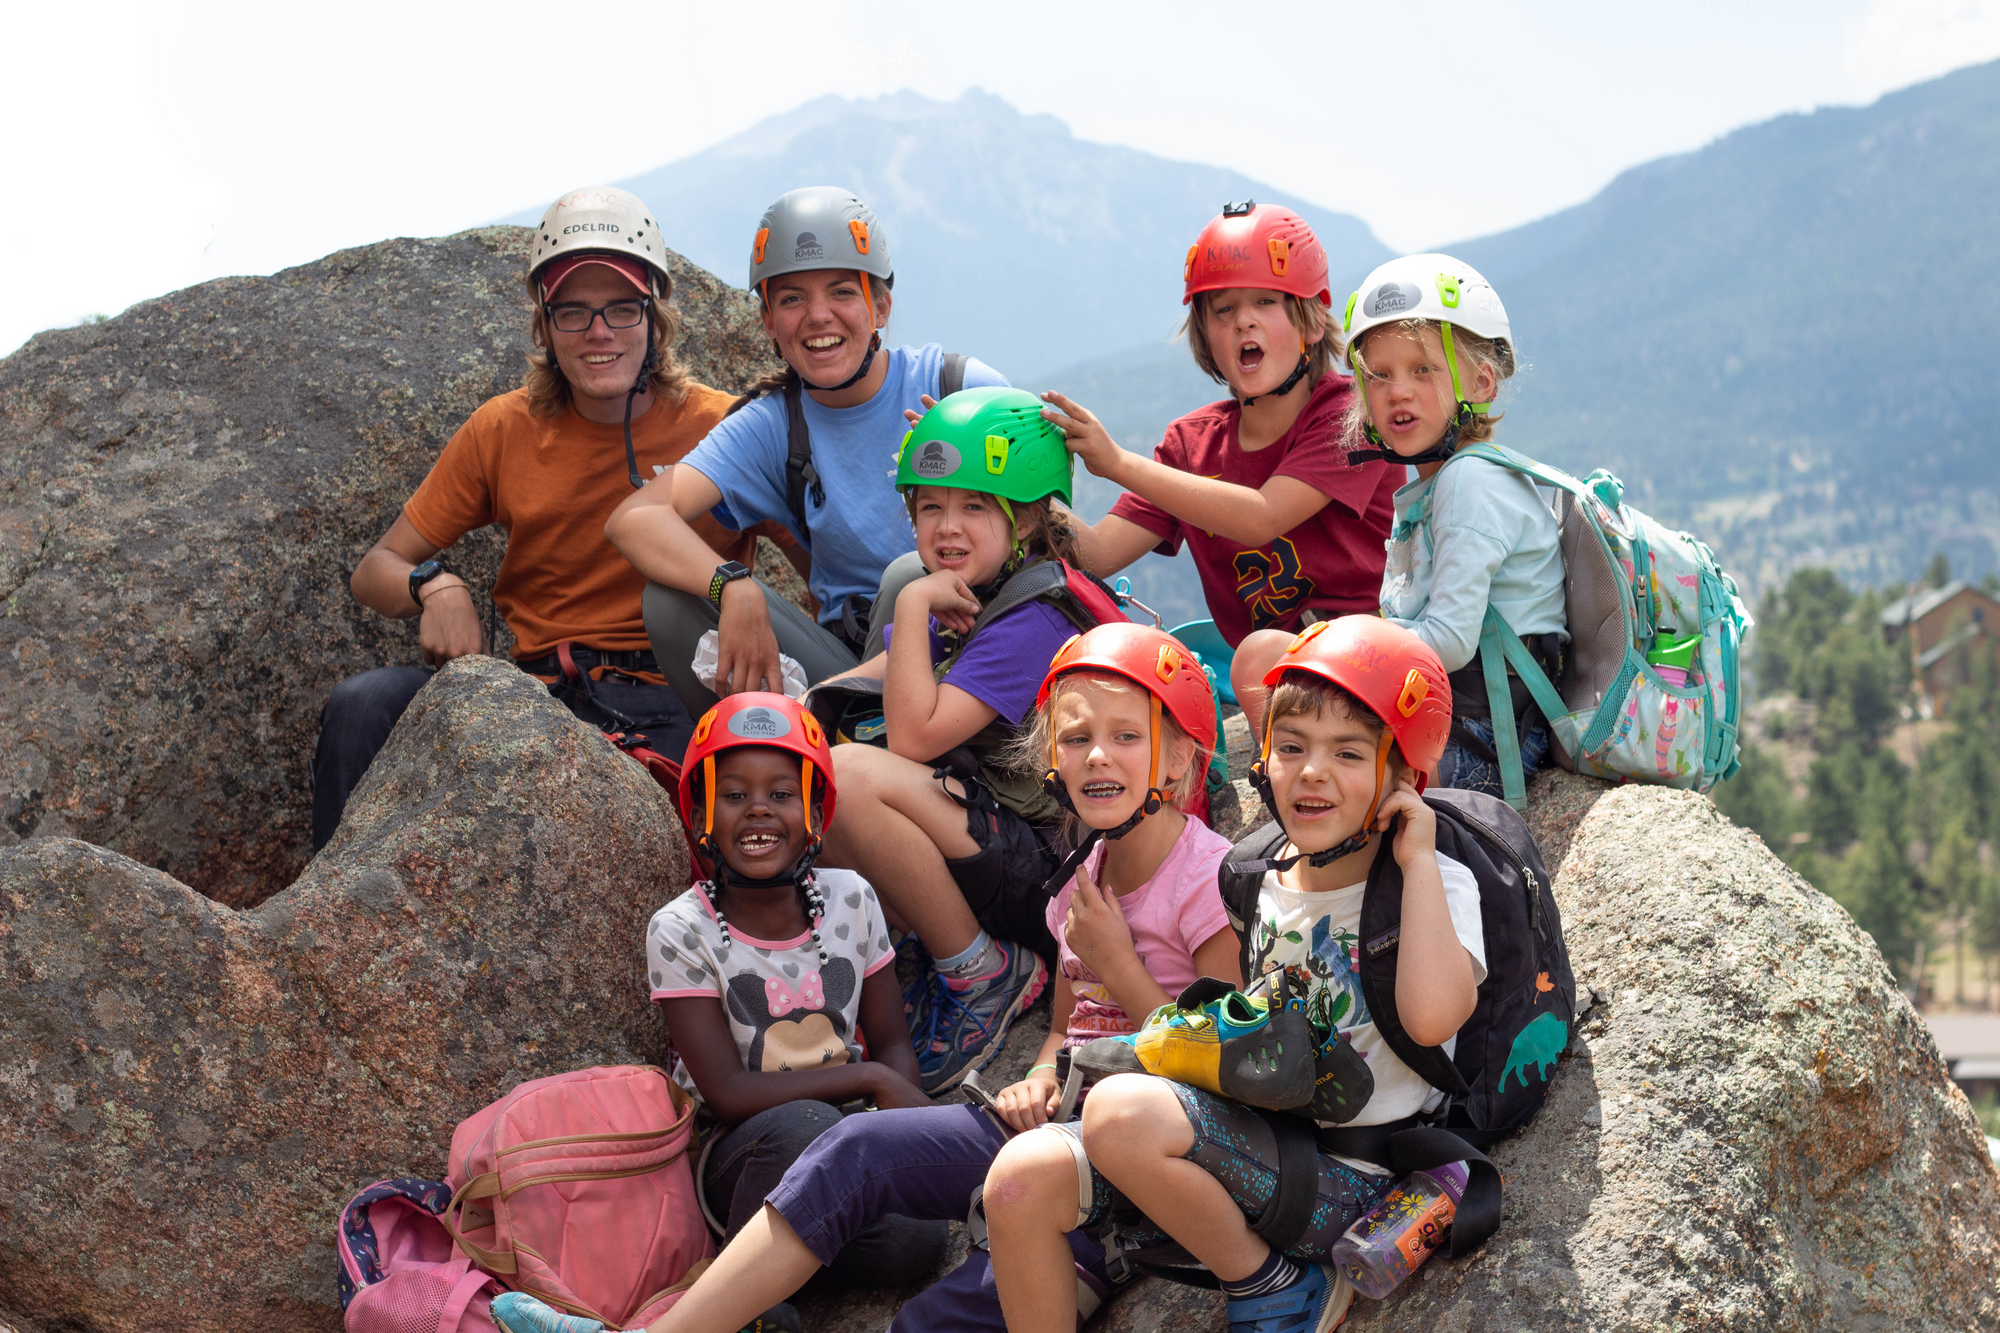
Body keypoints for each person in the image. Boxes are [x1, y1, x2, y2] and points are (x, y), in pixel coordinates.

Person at [487, 623, 1234, 1333]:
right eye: (1077, 738)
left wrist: (1119, 964)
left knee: (929, 1322)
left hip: (1140, 1154)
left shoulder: (1209, 880)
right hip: (1057, 1125)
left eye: (1126, 737)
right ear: (1053, 759)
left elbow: (1217, 1067)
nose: (1098, 756)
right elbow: (1070, 1027)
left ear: (1177, 758)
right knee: (851, 1153)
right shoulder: (1082, 878)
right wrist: (1038, 1075)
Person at [984, 617, 1479, 1333]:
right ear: (1263, 759)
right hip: (1257, 1147)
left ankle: (1275, 1285)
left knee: (1120, 1113)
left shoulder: (1429, 886)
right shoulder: (1255, 874)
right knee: (1016, 1180)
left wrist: (1420, 858)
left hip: (1357, 1181)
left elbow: (1434, 1018)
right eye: (1291, 747)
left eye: (1348, 752)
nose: (1310, 770)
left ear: (1404, 776)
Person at [311, 185, 777, 850]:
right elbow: (375, 570)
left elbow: (831, 558)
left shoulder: (724, 427)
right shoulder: (504, 430)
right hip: (538, 694)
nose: (598, 332)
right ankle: (333, 926)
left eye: (620, 308)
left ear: (655, 315)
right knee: (361, 707)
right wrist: (433, 585)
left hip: (681, 689)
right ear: (544, 324)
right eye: (573, 313)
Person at [809, 386, 1120, 1093]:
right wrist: (800, 713)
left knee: (850, 780)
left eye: (976, 506)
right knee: (809, 781)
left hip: (1055, 881)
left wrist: (915, 596)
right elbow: (894, 674)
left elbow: (915, 734)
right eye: (930, 506)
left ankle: (984, 975)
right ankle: (910, 960)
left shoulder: (1034, 619)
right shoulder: (988, 589)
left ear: (1032, 516)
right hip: (1002, 845)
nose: (947, 527)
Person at [605, 186, 1008, 719]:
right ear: (769, 322)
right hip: (855, 667)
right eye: (792, 299)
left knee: (910, 576)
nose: (818, 316)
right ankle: (764, 757)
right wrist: (732, 585)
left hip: (976, 655)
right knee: (670, 600)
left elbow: (1053, 535)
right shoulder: (774, 425)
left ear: (880, 306)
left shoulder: (960, 388)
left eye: (841, 292)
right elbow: (635, 519)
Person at [632, 690, 943, 1333]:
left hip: (848, 1141)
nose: (758, 811)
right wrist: (872, 1083)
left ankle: (792, 1262)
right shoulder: (680, 928)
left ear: (816, 814)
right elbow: (726, 1091)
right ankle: (748, 1301)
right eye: (735, 793)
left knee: (920, 1239)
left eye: (781, 793)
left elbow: (890, 1043)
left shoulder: (851, 898)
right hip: (746, 1154)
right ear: (700, 816)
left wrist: (899, 1123)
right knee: (802, 1126)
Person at [1039, 201, 1401, 739]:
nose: (1243, 321)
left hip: (1371, 663)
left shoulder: (1350, 413)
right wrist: (997, 480)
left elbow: (1262, 517)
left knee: (1258, 655)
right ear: (1205, 333)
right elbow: (1095, 554)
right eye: (1222, 310)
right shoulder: (1191, 446)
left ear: (1309, 317)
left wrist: (1117, 464)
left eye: (1265, 301)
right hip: (1273, 677)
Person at [1342, 254, 1567, 796]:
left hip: (1487, 741)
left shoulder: (1469, 481)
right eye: (1379, 375)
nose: (1398, 391)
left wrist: (1348, 645)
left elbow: (1449, 640)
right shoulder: (1431, 485)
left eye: (1423, 369)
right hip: (1454, 720)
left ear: (1482, 381)